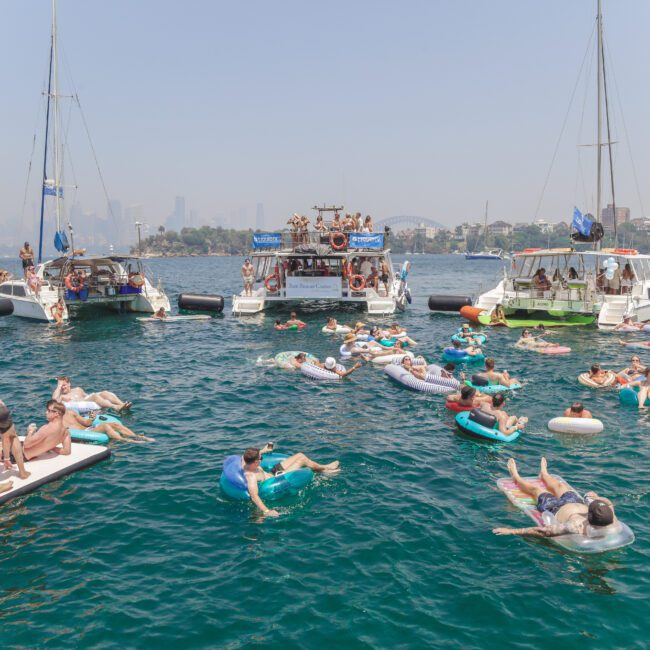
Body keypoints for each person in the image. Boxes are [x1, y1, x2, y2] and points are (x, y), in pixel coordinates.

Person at [493, 457, 616, 539]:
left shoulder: (575, 526)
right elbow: (609, 504)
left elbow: (543, 532)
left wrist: (512, 531)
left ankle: (516, 477)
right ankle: (544, 474)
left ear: (589, 516)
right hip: (574, 500)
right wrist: (598, 497)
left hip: (554, 507)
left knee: (536, 490)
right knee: (559, 485)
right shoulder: (610, 517)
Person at [242, 444, 340, 516]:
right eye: (261, 458)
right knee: (302, 461)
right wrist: (267, 511)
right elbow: (254, 496)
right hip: (276, 479)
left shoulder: (246, 462)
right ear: (256, 462)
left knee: (300, 455)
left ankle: (323, 469)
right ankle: (325, 468)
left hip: (272, 473)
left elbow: (243, 456)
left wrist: (262, 451)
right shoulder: (251, 476)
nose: (262, 459)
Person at [62, 409, 153, 443]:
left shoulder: (70, 411)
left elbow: (87, 423)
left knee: (115, 424)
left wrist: (92, 418)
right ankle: (126, 440)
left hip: (89, 428)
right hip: (84, 433)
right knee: (105, 426)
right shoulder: (57, 421)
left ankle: (136, 436)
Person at [53, 376, 132, 412]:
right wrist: (59, 386)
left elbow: (87, 396)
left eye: (64, 385)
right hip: (80, 404)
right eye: (60, 386)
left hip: (86, 400)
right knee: (95, 396)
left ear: (69, 384)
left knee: (104, 393)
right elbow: (54, 401)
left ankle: (123, 404)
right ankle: (116, 407)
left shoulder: (78, 389)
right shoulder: (61, 396)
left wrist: (100, 397)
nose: (62, 387)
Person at [0, 401, 30, 487]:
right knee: (12, 435)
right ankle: (22, 472)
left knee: (10, 434)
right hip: (2, 408)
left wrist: (6, 458)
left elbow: (5, 438)